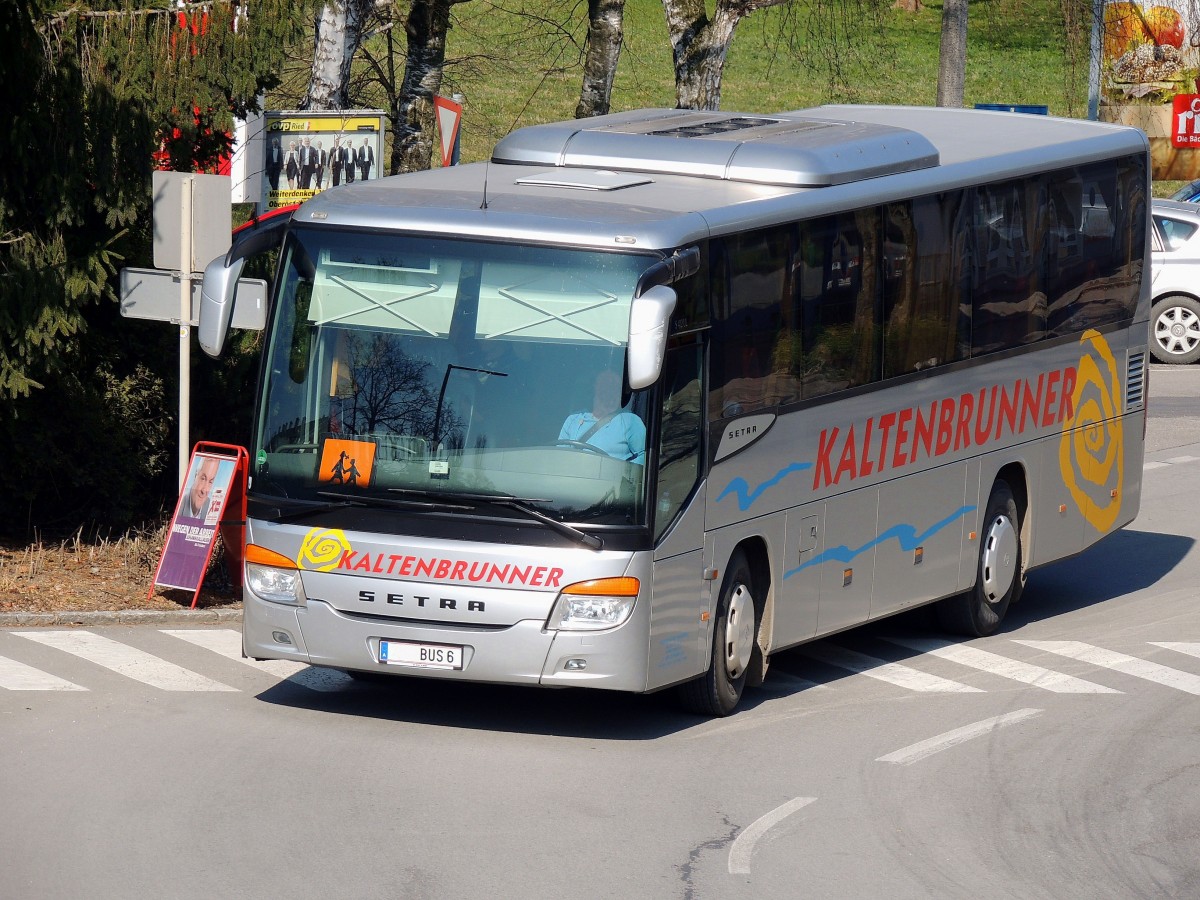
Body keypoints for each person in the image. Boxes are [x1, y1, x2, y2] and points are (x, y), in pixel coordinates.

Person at [558, 369, 645, 464]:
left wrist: (621, 472)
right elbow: (560, 457)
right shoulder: (573, 419)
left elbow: (644, 457)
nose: (609, 390)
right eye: (605, 386)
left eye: (614, 387)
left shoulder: (630, 421)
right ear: (594, 388)